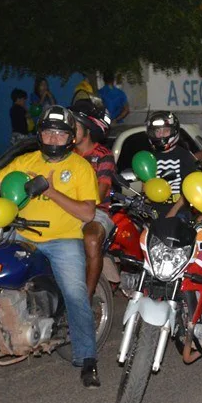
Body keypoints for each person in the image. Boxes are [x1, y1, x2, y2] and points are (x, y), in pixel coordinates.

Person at [0, 106, 101, 387]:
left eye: (60, 134)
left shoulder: (80, 167)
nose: (53, 139)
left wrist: (50, 191)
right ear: (40, 135)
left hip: (63, 240)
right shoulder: (26, 161)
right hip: (22, 234)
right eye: (48, 132)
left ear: (70, 138)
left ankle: (87, 359)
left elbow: (88, 213)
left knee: (76, 295)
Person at [69, 96, 116, 307]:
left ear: (87, 128)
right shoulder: (66, 154)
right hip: (65, 209)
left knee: (92, 240)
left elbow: (100, 192)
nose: (70, 130)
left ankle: (85, 301)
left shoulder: (103, 155)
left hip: (97, 212)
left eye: (75, 126)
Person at [146, 111, 199, 219]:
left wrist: (172, 214)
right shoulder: (150, 158)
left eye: (165, 131)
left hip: (179, 211)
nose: (161, 134)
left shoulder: (184, 156)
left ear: (173, 131)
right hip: (155, 212)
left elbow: (188, 191)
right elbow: (146, 186)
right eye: (157, 131)